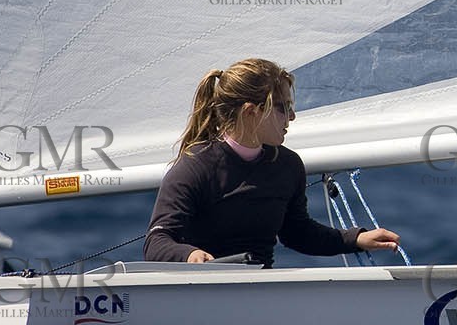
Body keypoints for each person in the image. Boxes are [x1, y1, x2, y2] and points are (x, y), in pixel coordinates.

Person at [144, 58, 400, 266]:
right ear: (250, 112)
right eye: (282, 108)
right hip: (203, 295)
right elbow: (156, 242)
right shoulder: (195, 166)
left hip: (262, 292)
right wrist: (189, 255)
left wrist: (355, 238)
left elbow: (297, 232)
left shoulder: (288, 166)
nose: (292, 116)